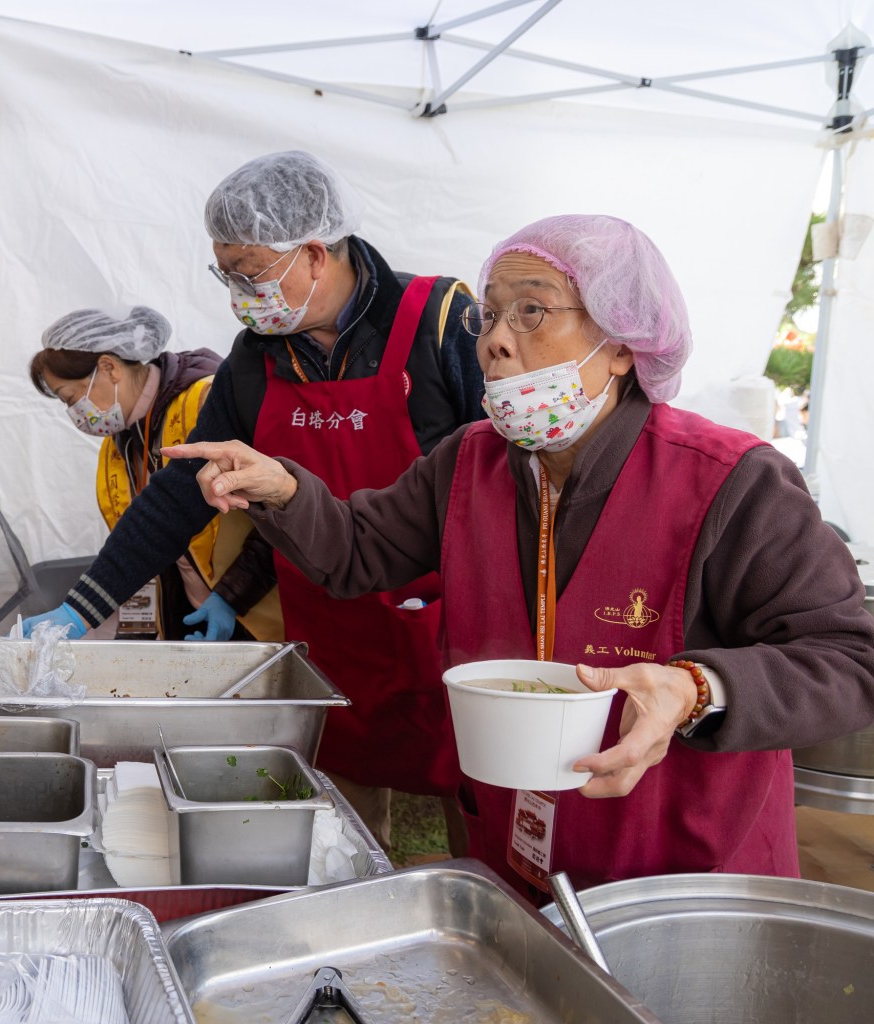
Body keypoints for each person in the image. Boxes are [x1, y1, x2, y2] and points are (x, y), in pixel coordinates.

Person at [168, 213, 874, 899]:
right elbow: (358, 550)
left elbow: (848, 658)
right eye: (490, 316)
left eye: (532, 312)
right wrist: (284, 489)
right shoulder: (469, 463)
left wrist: (697, 687)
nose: (496, 342)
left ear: (623, 343)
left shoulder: (730, 482)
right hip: (517, 859)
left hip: (683, 881)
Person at [24, 151, 484, 849]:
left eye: (250, 272)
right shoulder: (255, 358)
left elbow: (505, 475)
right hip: (329, 638)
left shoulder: (441, 319)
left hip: (449, 630)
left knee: (480, 816)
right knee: (344, 837)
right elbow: (182, 489)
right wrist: (82, 605)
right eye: (226, 273)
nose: (238, 291)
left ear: (315, 253)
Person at [28, 305, 281, 641]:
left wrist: (231, 597)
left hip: (255, 611)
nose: (74, 413)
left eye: (71, 398)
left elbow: (280, 510)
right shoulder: (119, 443)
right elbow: (144, 538)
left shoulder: (206, 403)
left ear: (109, 367)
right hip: (189, 616)